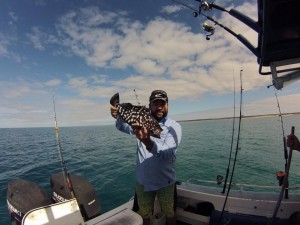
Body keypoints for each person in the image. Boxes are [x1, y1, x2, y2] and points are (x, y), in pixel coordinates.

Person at [110, 90, 182, 225]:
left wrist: (148, 142)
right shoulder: (140, 120)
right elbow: (121, 126)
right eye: (156, 104)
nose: (159, 107)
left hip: (165, 182)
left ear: (167, 105)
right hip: (143, 182)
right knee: (143, 215)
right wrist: (117, 115)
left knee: (170, 212)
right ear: (150, 106)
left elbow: (169, 154)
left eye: (162, 103)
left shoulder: (174, 127)